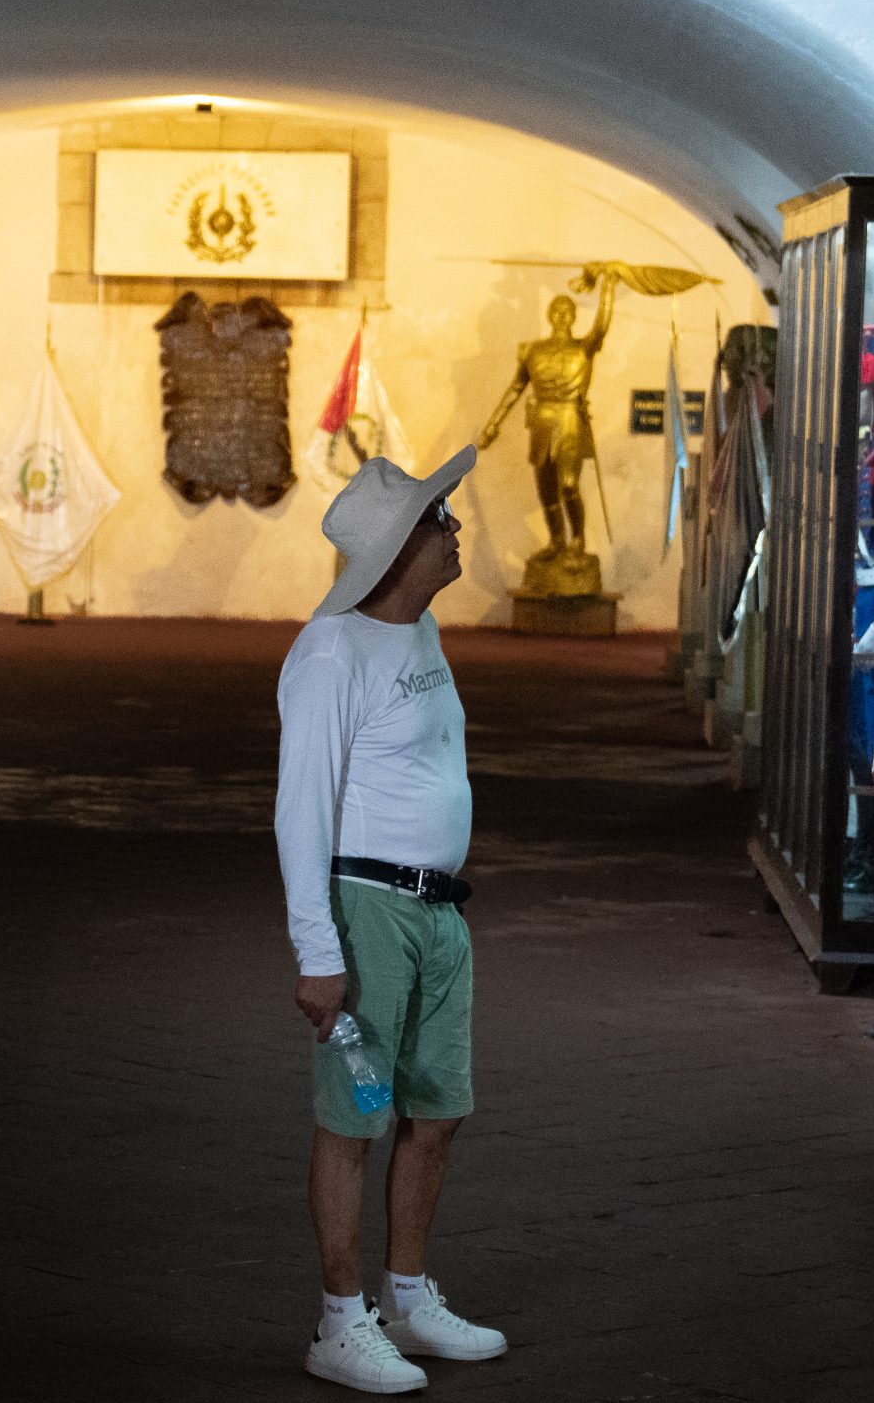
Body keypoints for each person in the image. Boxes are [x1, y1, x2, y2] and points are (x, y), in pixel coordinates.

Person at [276, 447, 508, 1394]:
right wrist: (318, 952)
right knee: (357, 1116)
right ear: (395, 551)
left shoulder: (420, 631)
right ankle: (340, 1321)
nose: (454, 528)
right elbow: (302, 808)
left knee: (436, 1110)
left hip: (436, 910)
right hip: (367, 909)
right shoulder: (330, 652)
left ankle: (406, 1299)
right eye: (437, 520)